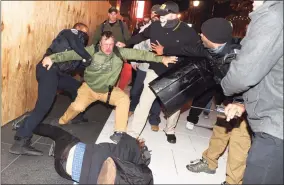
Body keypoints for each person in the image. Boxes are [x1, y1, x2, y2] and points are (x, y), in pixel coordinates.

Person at [42, 31, 178, 143]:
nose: (108, 48)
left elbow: (141, 54)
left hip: (108, 91)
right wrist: (51, 58)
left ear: (114, 44)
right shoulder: (90, 51)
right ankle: (62, 120)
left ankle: (119, 132)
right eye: (105, 44)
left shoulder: (120, 52)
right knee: (78, 107)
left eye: (111, 44)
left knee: (124, 99)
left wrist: (162, 59)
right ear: (99, 43)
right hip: (88, 89)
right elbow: (70, 54)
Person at [118, 1, 201, 143]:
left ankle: (170, 130)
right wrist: (127, 43)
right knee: (144, 101)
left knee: (174, 105)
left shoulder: (187, 31)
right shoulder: (155, 26)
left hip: (176, 73)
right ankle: (133, 133)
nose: (160, 17)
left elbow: (197, 51)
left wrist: (167, 51)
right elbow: (142, 36)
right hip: (155, 69)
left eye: (164, 14)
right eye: (160, 14)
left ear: (175, 15)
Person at [221, 1, 283, 184]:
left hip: (276, 127)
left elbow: (244, 75)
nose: (253, 2)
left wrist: (225, 87)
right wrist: (244, 104)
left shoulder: (273, 16)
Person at [9, 23, 93, 156]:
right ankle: (20, 140)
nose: (86, 36)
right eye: (84, 32)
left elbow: (80, 66)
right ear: (78, 29)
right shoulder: (69, 33)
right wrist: (87, 57)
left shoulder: (77, 49)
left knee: (75, 87)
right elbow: (76, 43)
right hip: (48, 70)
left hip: (57, 74)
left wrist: (88, 64)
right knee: (43, 107)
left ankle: (77, 115)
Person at [31, 123, 153, 184]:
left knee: (57, 132)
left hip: (69, 149)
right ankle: (56, 154)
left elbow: (99, 147)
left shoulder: (120, 148)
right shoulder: (127, 172)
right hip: (63, 170)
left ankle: (27, 125)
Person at [129, 4, 162, 132]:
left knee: (155, 94)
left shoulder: (167, 31)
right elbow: (137, 45)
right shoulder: (146, 29)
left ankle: (154, 119)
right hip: (144, 66)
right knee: (136, 90)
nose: (155, 16)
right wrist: (133, 61)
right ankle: (132, 109)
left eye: (158, 14)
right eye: (154, 13)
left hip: (157, 68)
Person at [92, 7, 132, 91]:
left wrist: (126, 46)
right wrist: (92, 49)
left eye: (115, 14)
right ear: (108, 14)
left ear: (117, 15)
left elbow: (128, 38)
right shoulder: (103, 25)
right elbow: (95, 38)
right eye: (111, 14)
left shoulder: (122, 25)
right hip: (105, 52)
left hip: (118, 52)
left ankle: (114, 90)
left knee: (117, 71)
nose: (113, 16)